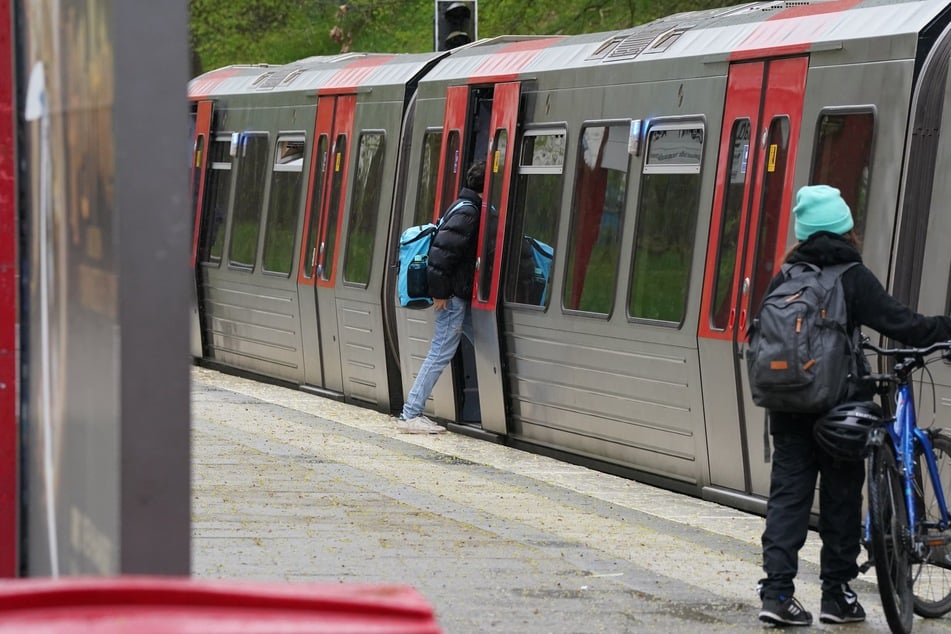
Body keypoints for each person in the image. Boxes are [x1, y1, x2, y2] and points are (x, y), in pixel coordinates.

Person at [757, 184, 951, 627]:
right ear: (846, 229)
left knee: (788, 497)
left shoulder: (785, 276)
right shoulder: (850, 276)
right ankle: (836, 596)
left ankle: (776, 595)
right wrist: (946, 328)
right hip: (838, 406)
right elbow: (905, 325)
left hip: (786, 404)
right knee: (841, 497)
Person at [397, 160, 484, 434]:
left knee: (488, 340)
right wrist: (440, 293)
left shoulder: (462, 206)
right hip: (452, 297)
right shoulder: (469, 213)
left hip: (456, 295)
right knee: (440, 352)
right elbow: (440, 256)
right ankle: (411, 414)